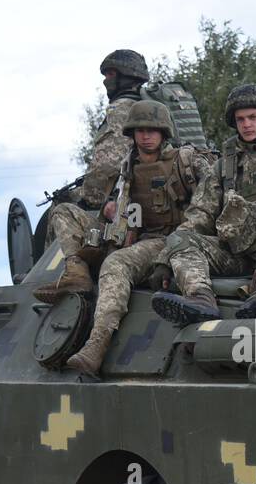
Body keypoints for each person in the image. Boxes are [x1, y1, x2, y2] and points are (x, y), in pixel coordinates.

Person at [46, 101, 211, 375]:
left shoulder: (185, 161)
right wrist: (110, 211)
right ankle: (77, 271)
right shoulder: (128, 165)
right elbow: (125, 209)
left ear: (164, 132)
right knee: (64, 212)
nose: (145, 136)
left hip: (170, 239)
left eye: (152, 130)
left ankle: (96, 345)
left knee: (116, 264)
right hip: (132, 233)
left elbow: (213, 199)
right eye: (139, 130)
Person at [149, 83, 256, 324]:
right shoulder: (224, 164)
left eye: (253, 117)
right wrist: (165, 260)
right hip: (233, 254)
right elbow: (200, 215)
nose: (246, 124)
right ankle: (200, 299)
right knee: (179, 239)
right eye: (240, 119)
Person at [40, 49, 150, 295]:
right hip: (150, 204)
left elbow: (104, 168)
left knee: (61, 208)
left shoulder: (122, 110)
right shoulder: (156, 108)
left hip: (129, 210)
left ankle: (71, 274)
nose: (105, 80)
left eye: (110, 74)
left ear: (125, 77)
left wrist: (84, 196)